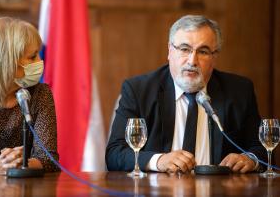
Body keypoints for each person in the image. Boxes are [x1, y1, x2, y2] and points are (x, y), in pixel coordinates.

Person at [106, 15, 267, 174]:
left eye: (203, 51)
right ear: (170, 51)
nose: (192, 61)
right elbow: (114, 154)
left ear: (214, 57)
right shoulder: (139, 90)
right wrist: (158, 161)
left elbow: (263, 149)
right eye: (184, 49)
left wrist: (250, 160)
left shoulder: (239, 91)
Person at [0, 17, 59, 175]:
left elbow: (49, 159)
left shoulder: (40, 93)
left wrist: (21, 163)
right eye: (32, 56)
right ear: (6, 61)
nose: (40, 61)